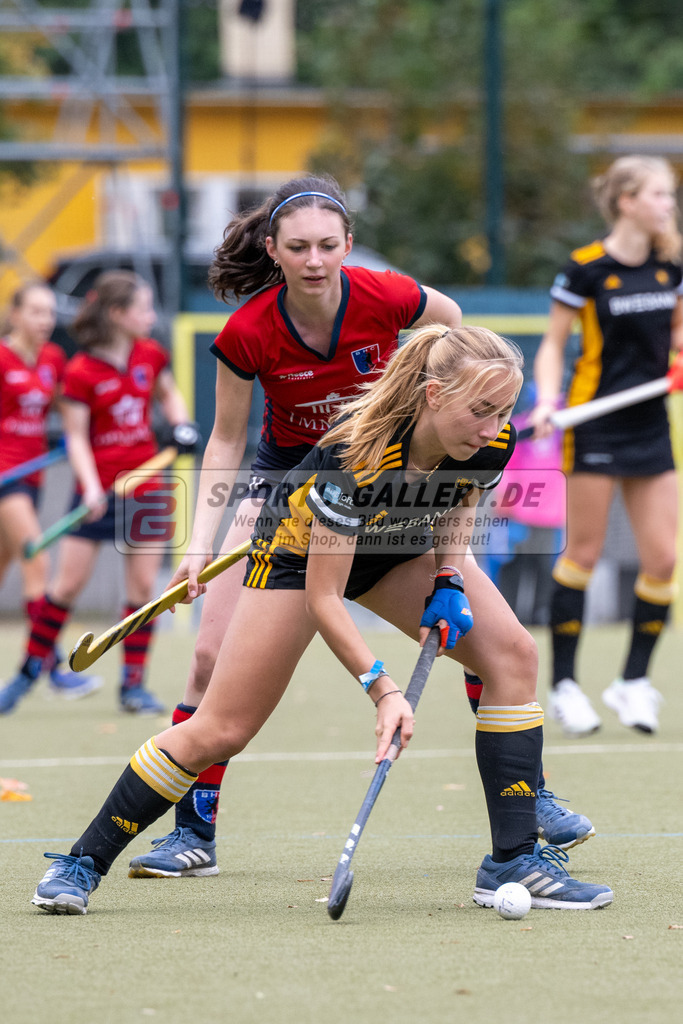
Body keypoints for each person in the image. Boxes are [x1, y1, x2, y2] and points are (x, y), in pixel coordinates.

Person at [30, 323, 614, 915]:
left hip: (400, 545)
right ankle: (81, 862)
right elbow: (325, 598)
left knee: (513, 654)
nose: (493, 427)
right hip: (300, 558)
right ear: (434, 395)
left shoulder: (493, 440)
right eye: (480, 410)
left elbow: (459, 500)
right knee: (222, 728)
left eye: (504, 410)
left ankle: (513, 861)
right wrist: (383, 688)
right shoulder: (353, 457)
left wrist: (449, 576)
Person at [122, 173, 465, 876]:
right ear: (273, 249)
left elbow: (454, 326)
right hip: (285, 495)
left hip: (384, 490)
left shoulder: (389, 296)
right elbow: (224, 441)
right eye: (300, 246)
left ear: (348, 246)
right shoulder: (249, 331)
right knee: (210, 657)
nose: (315, 260)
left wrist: (423, 400)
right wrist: (198, 546)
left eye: (328, 245)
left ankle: (530, 804)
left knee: (483, 633)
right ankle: (193, 832)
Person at [528, 155, 683, 736]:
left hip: (648, 426)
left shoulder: (671, 265)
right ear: (627, 201)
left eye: (669, 195)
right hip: (594, 424)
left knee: (663, 559)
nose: (669, 204)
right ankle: (565, 685)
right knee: (584, 554)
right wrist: (546, 400)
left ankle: (633, 682)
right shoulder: (586, 269)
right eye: (660, 194)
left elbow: (677, 334)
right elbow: (552, 345)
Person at [0, 270, 199, 715]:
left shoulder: (151, 355)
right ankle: (30, 672)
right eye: (143, 308)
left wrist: (182, 425)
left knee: (144, 586)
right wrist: (91, 489)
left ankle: (132, 686)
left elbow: (170, 396)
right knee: (66, 584)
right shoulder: (81, 371)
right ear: (117, 314)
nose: (151, 316)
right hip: (100, 491)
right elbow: (76, 437)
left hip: (147, 485)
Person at [0, 283, 101, 702]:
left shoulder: (53, 359)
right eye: (36, 312)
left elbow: (67, 405)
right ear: (15, 314)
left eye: (48, 313)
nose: (45, 321)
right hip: (6, 477)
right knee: (36, 558)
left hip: (32, 475)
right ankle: (52, 667)